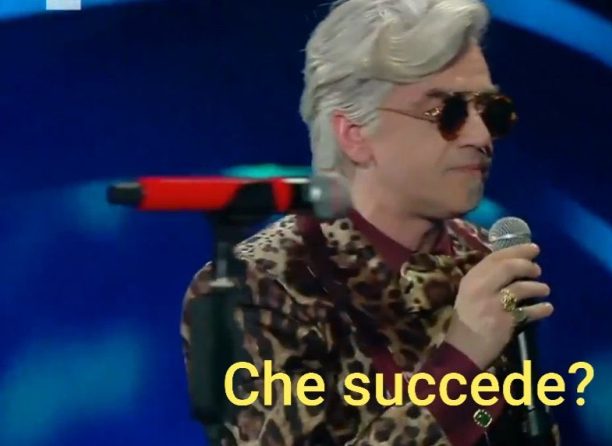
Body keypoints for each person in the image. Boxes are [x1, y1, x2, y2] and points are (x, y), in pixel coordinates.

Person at [181, 0, 559, 444]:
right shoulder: (255, 286)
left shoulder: (485, 259)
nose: (481, 138)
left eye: (490, 112)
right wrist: (462, 358)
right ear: (355, 134)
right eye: (448, 113)